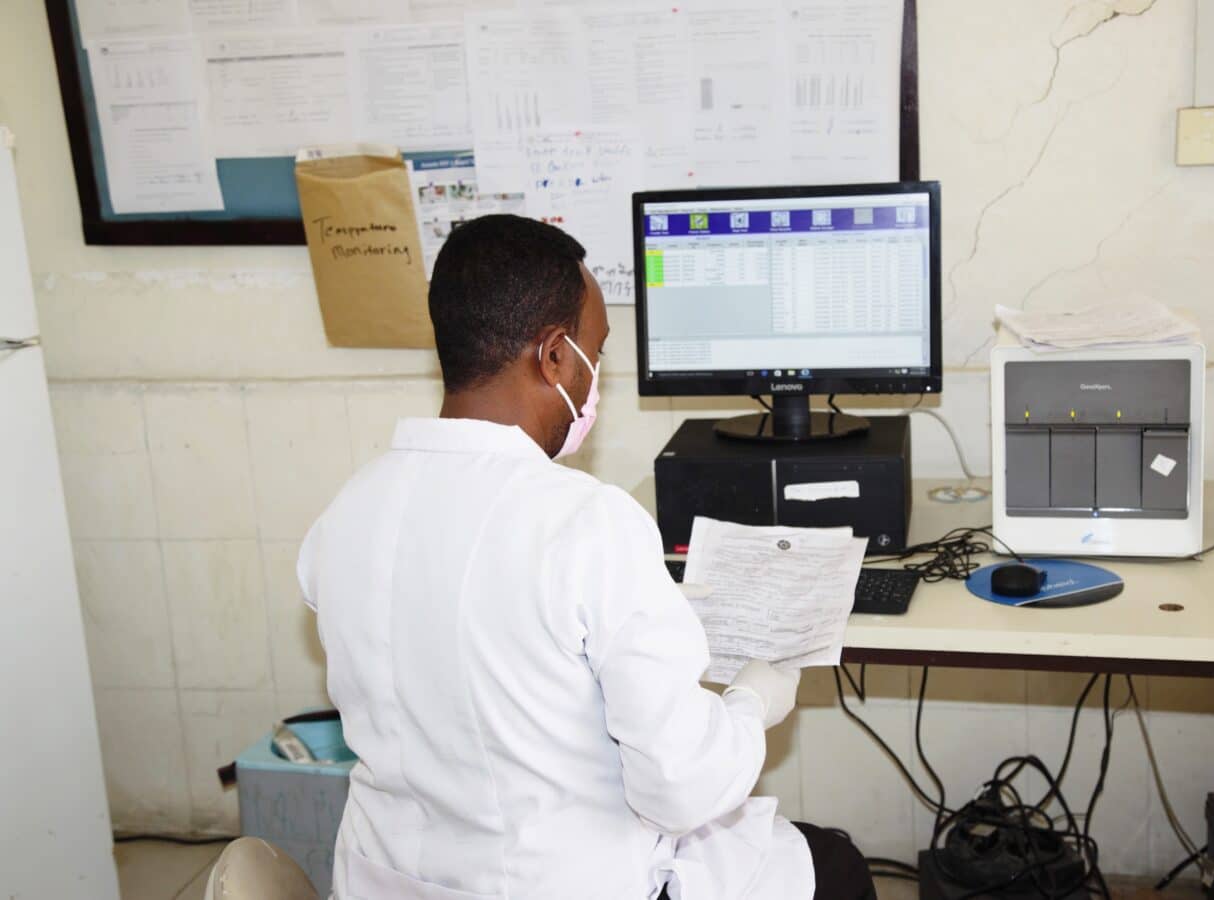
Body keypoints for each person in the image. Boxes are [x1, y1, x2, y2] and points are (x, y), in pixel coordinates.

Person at [298, 215, 875, 900]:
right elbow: (681, 789)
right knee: (835, 864)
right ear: (553, 357)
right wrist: (752, 704)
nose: (593, 375)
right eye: (593, 354)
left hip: (383, 883)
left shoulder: (343, 516)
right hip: (554, 884)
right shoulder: (584, 522)